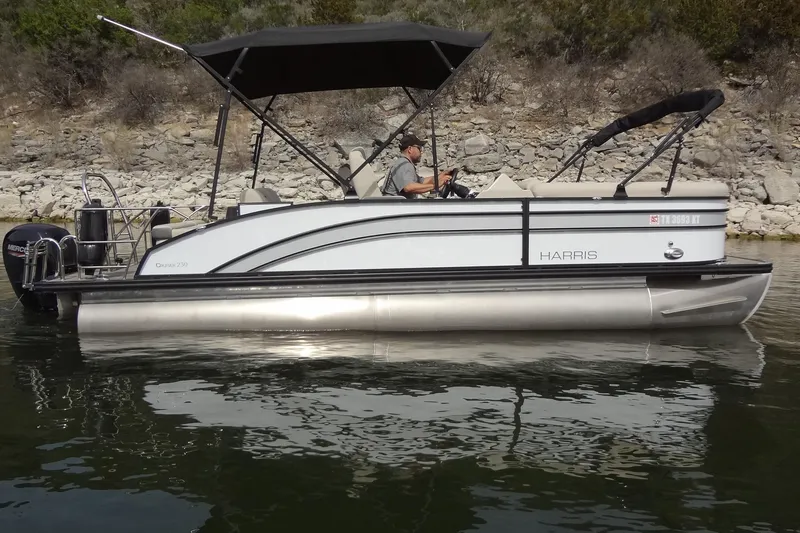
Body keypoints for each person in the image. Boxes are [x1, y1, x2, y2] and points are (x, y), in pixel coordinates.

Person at [382, 134, 452, 198]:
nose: (421, 152)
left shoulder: (404, 163)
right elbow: (409, 187)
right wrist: (435, 186)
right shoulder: (404, 164)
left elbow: (422, 182)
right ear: (410, 149)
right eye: (419, 148)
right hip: (397, 207)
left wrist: (441, 176)